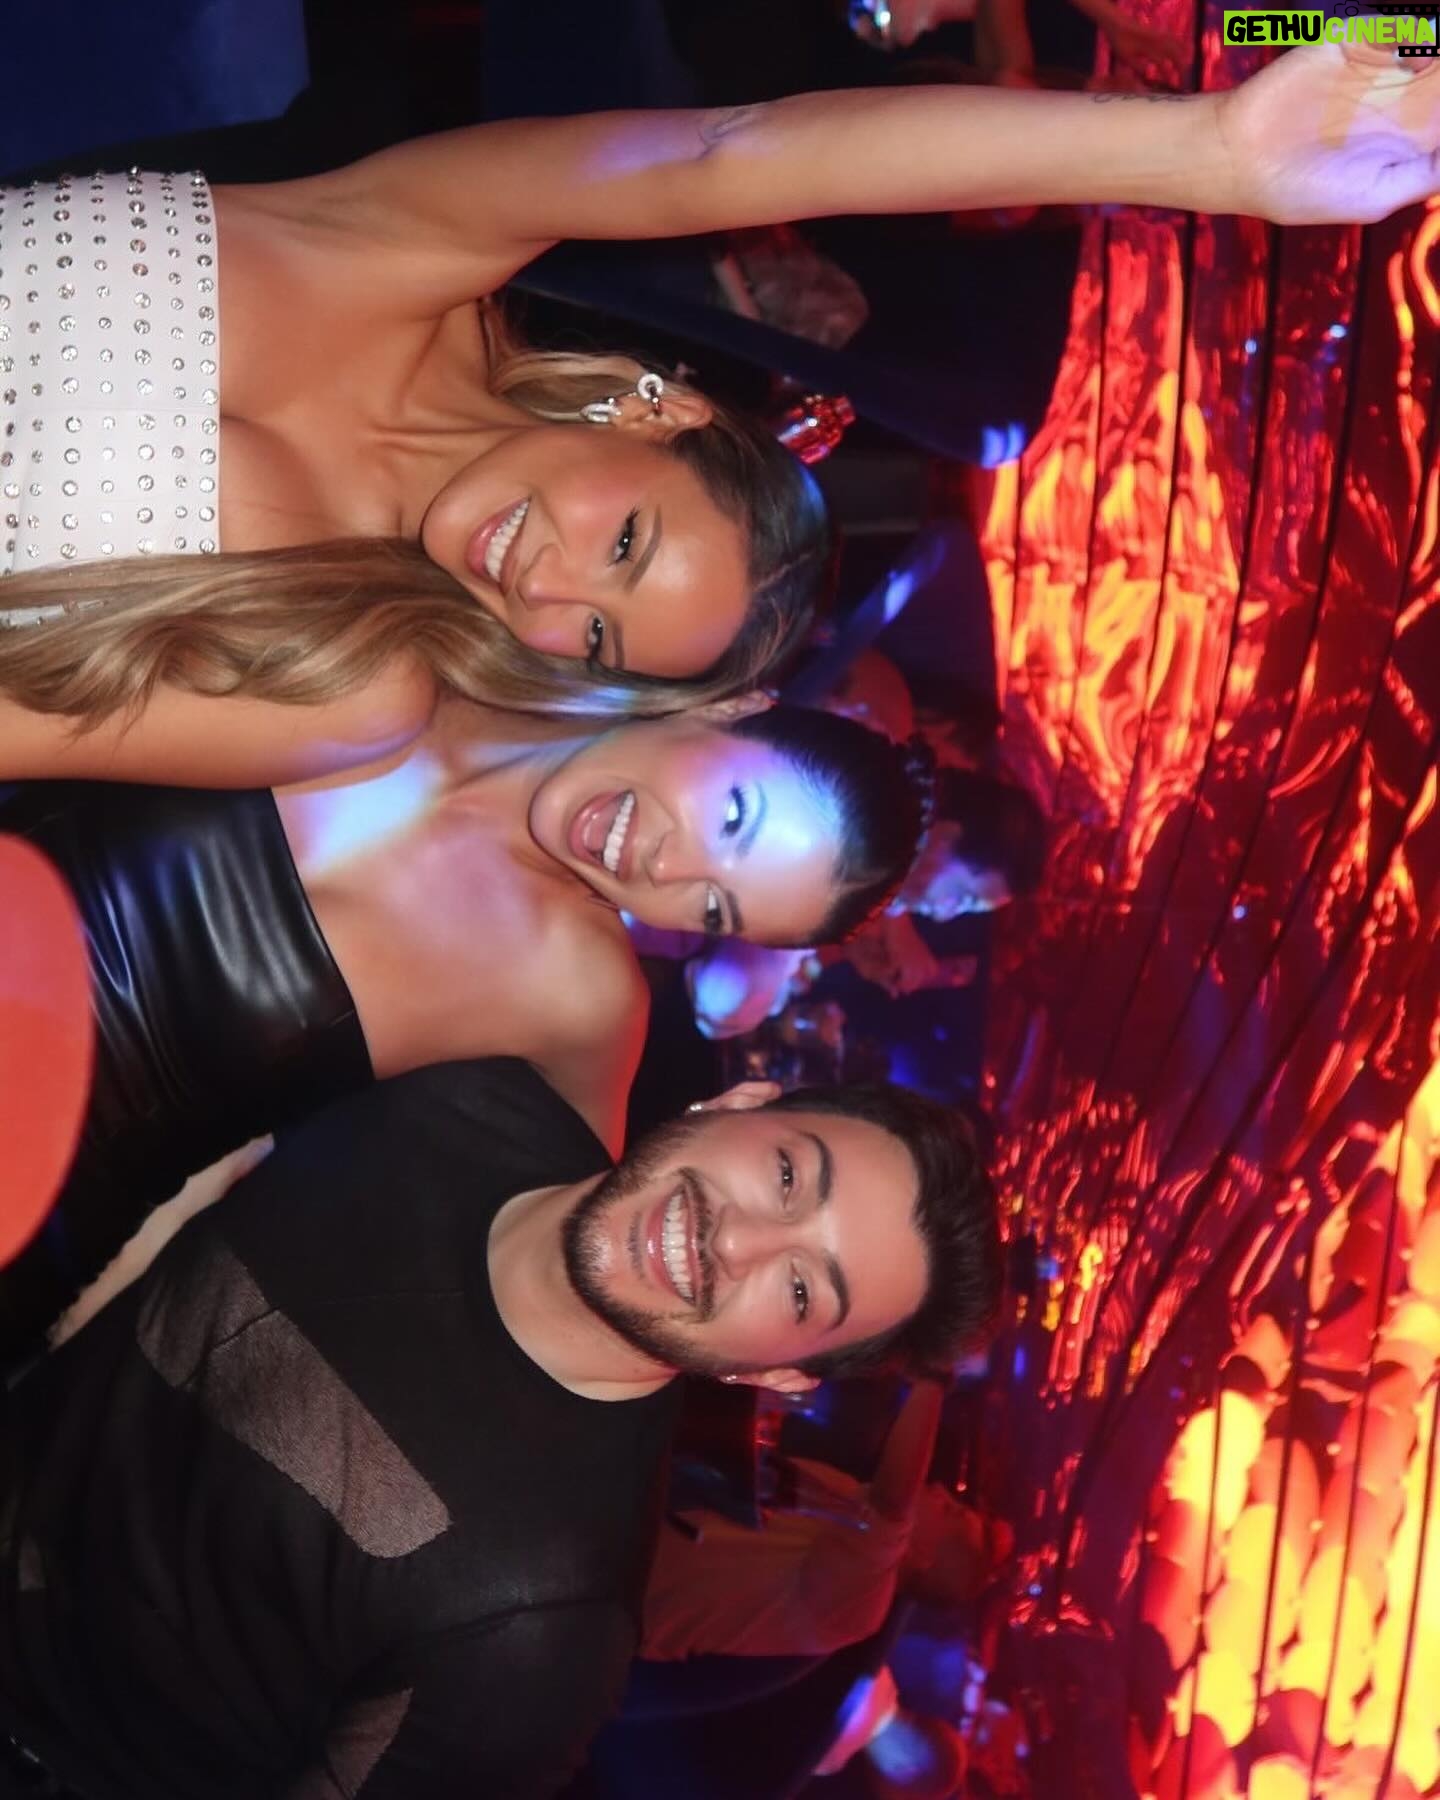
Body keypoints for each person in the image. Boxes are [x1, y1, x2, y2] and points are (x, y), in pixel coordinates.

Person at [1, 40, 1436, 768]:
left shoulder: (347, 687)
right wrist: (1203, 152)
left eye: (596, 638)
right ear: (652, 412)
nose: (548, 595)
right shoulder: (403, 250)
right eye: (623, 546)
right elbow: (732, 151)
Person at [0, 1060, 1002, 1798]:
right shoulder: (478, 1095)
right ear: (739, 1103)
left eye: (800, 1289)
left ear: (769, 1373)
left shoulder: (540, 1631)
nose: (733, 1240)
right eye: (787, 1177)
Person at [0, 702, 931, 1366]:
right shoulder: (440, 643)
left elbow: (565, 1261)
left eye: (713, 908)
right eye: (733, 816)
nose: (665, 867)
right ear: (729, 710)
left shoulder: (580, 1000)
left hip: (30, 1204)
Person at [642, 1379, 1011, 1663]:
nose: (942, 1491)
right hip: (642, 1513)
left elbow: (890, 1506)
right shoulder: (850, 1498)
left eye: (950, 1512)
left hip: (629, 1581)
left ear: (925, 1558)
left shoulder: (862, 1608)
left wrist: (933, 1379)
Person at [680, 768, 1045, 1037]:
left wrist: (843, 949)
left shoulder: (874, 879)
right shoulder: (844, 817)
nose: (946, 915)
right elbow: (722, 999)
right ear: (945, 838)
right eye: (963, 897)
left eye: (965, 910)